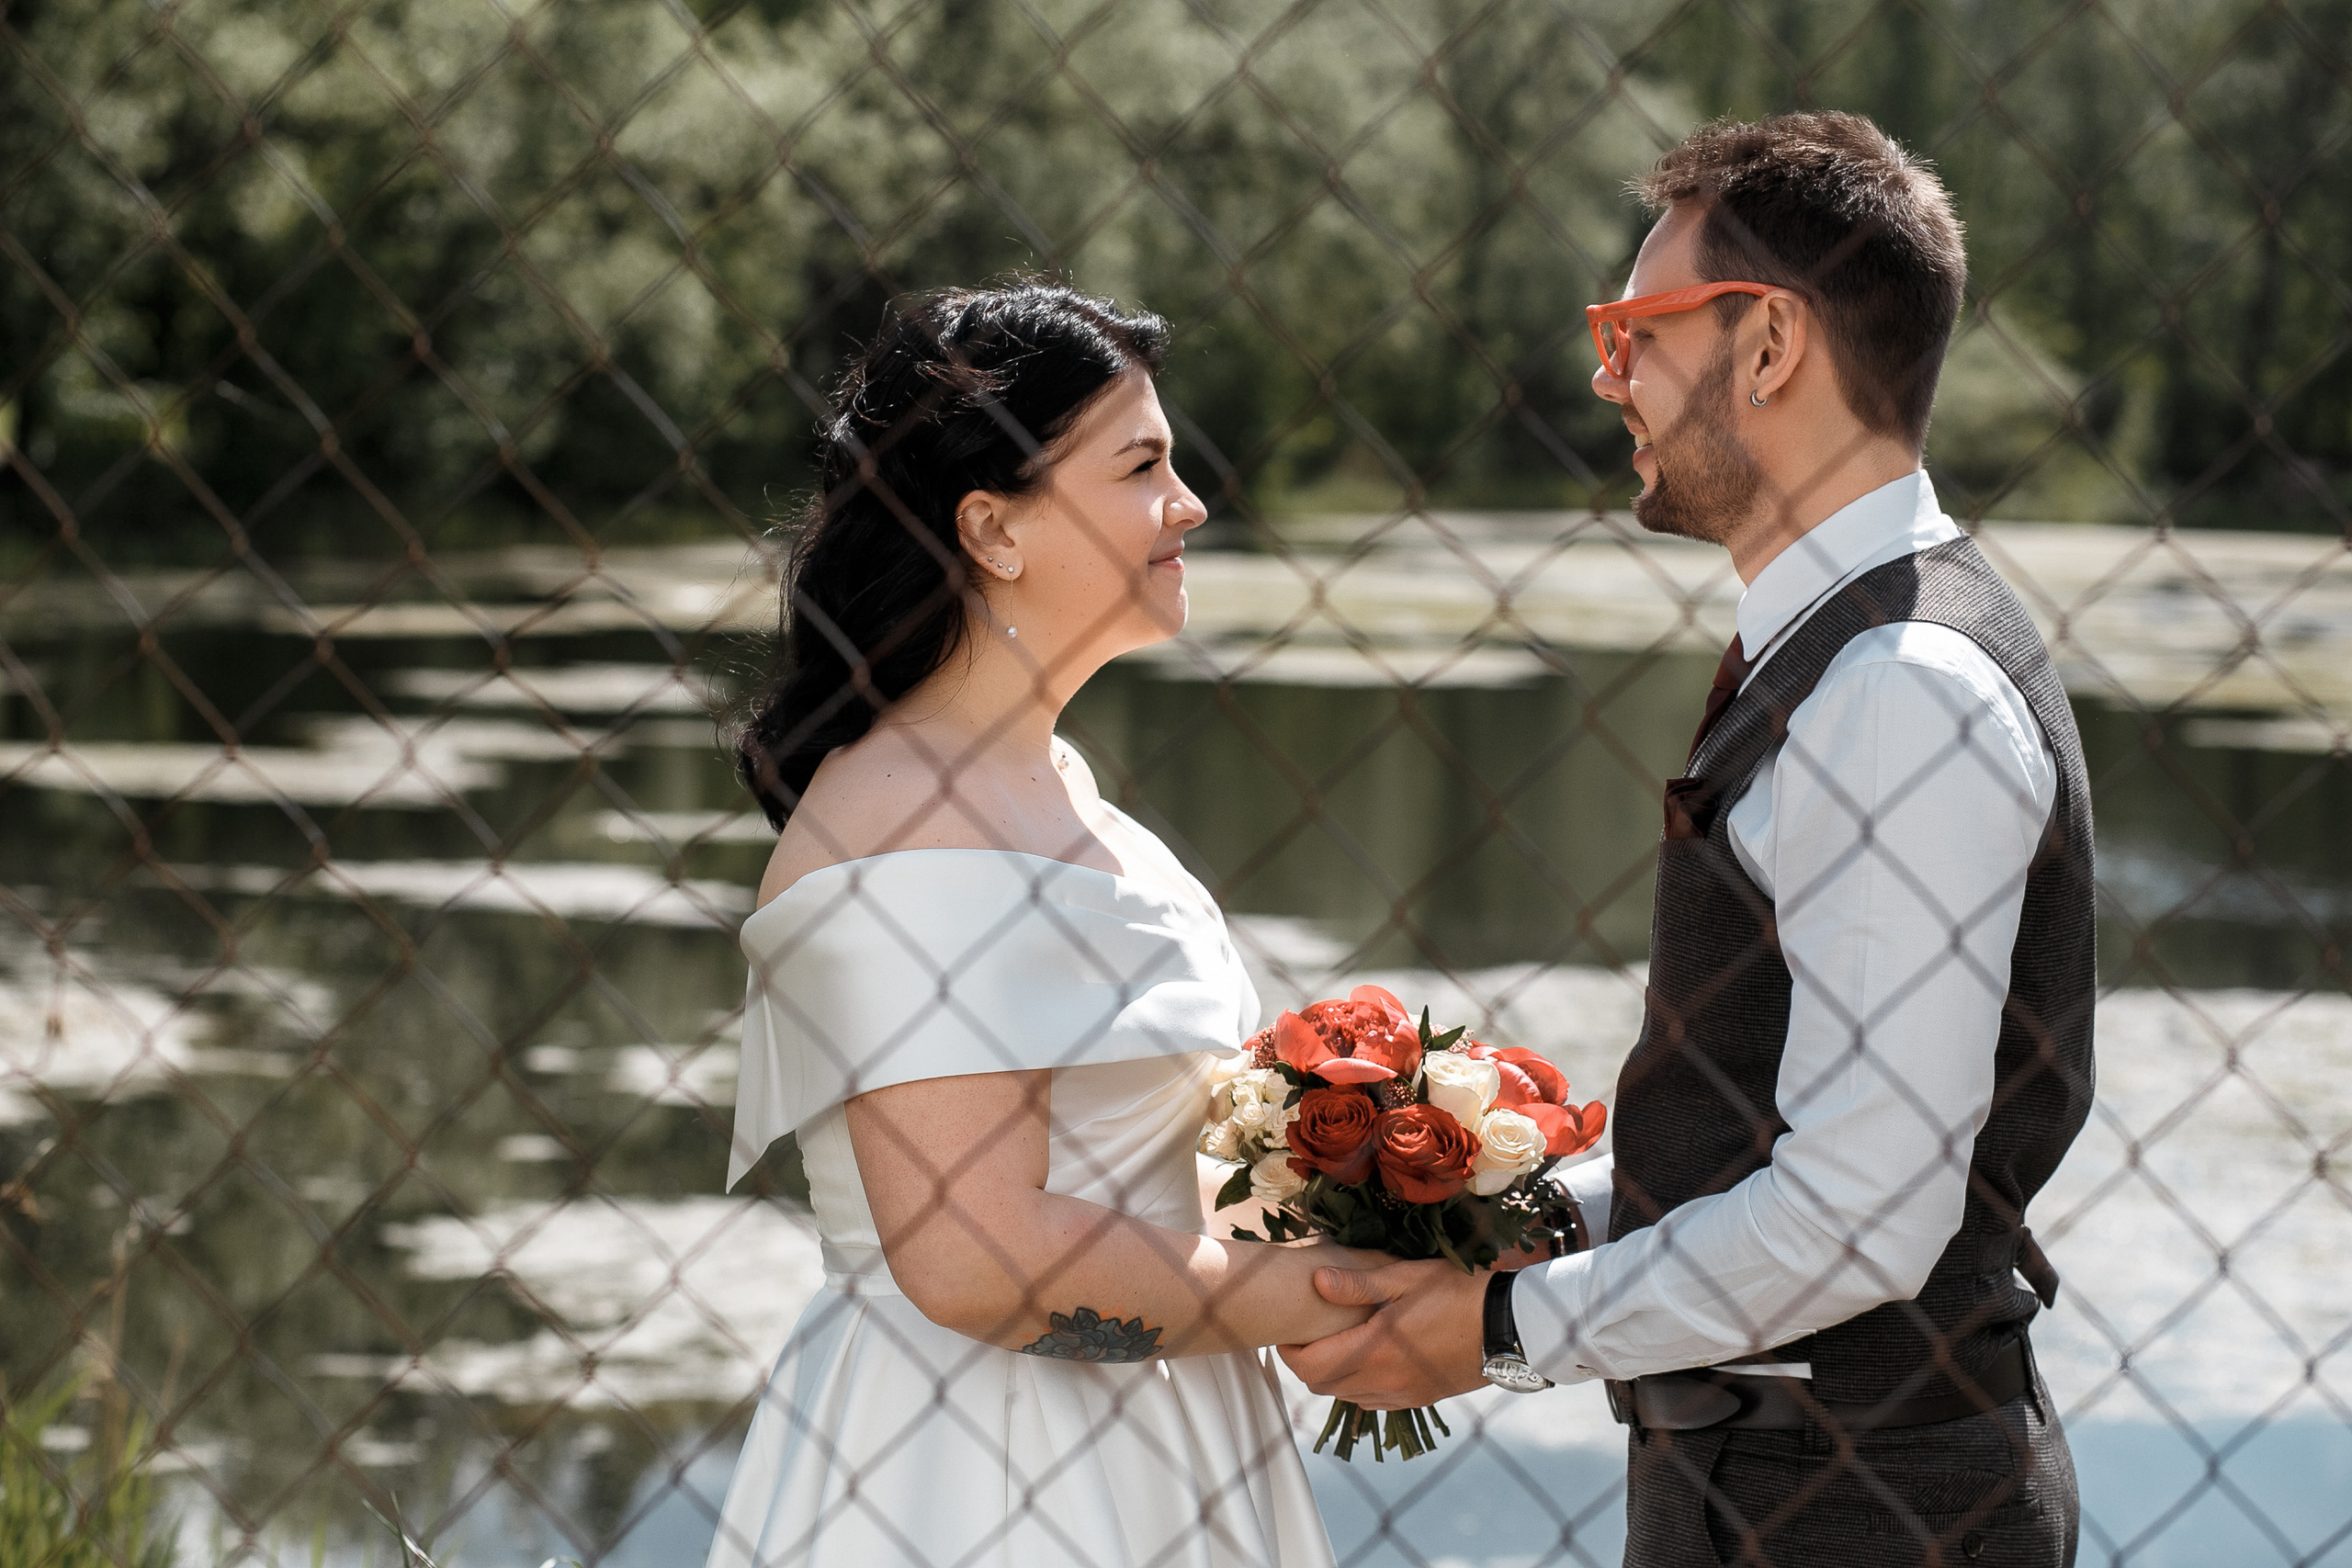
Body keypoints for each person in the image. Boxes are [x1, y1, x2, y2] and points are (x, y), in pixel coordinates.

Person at [1280, 112, 2096, 1568]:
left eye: (1635, 332)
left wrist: (1497, 1329)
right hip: (1794, 1486)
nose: (1611, 378)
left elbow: (1860, 1218)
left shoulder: (1898, 688)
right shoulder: (1843, 651)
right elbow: (1759, 1142)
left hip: (1862, 1516)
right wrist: (1515, 1215)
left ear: (1769, 344)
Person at [707, 283, 1370, 1568]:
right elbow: (973, 1259)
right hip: (982, 1469)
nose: (1191, 504)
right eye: (1141, 467)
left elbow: (1150, 1170)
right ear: (993, 528)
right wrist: (1327, 1295)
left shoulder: (1056, 787)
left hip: (1160, 1436)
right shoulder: (907, 816)